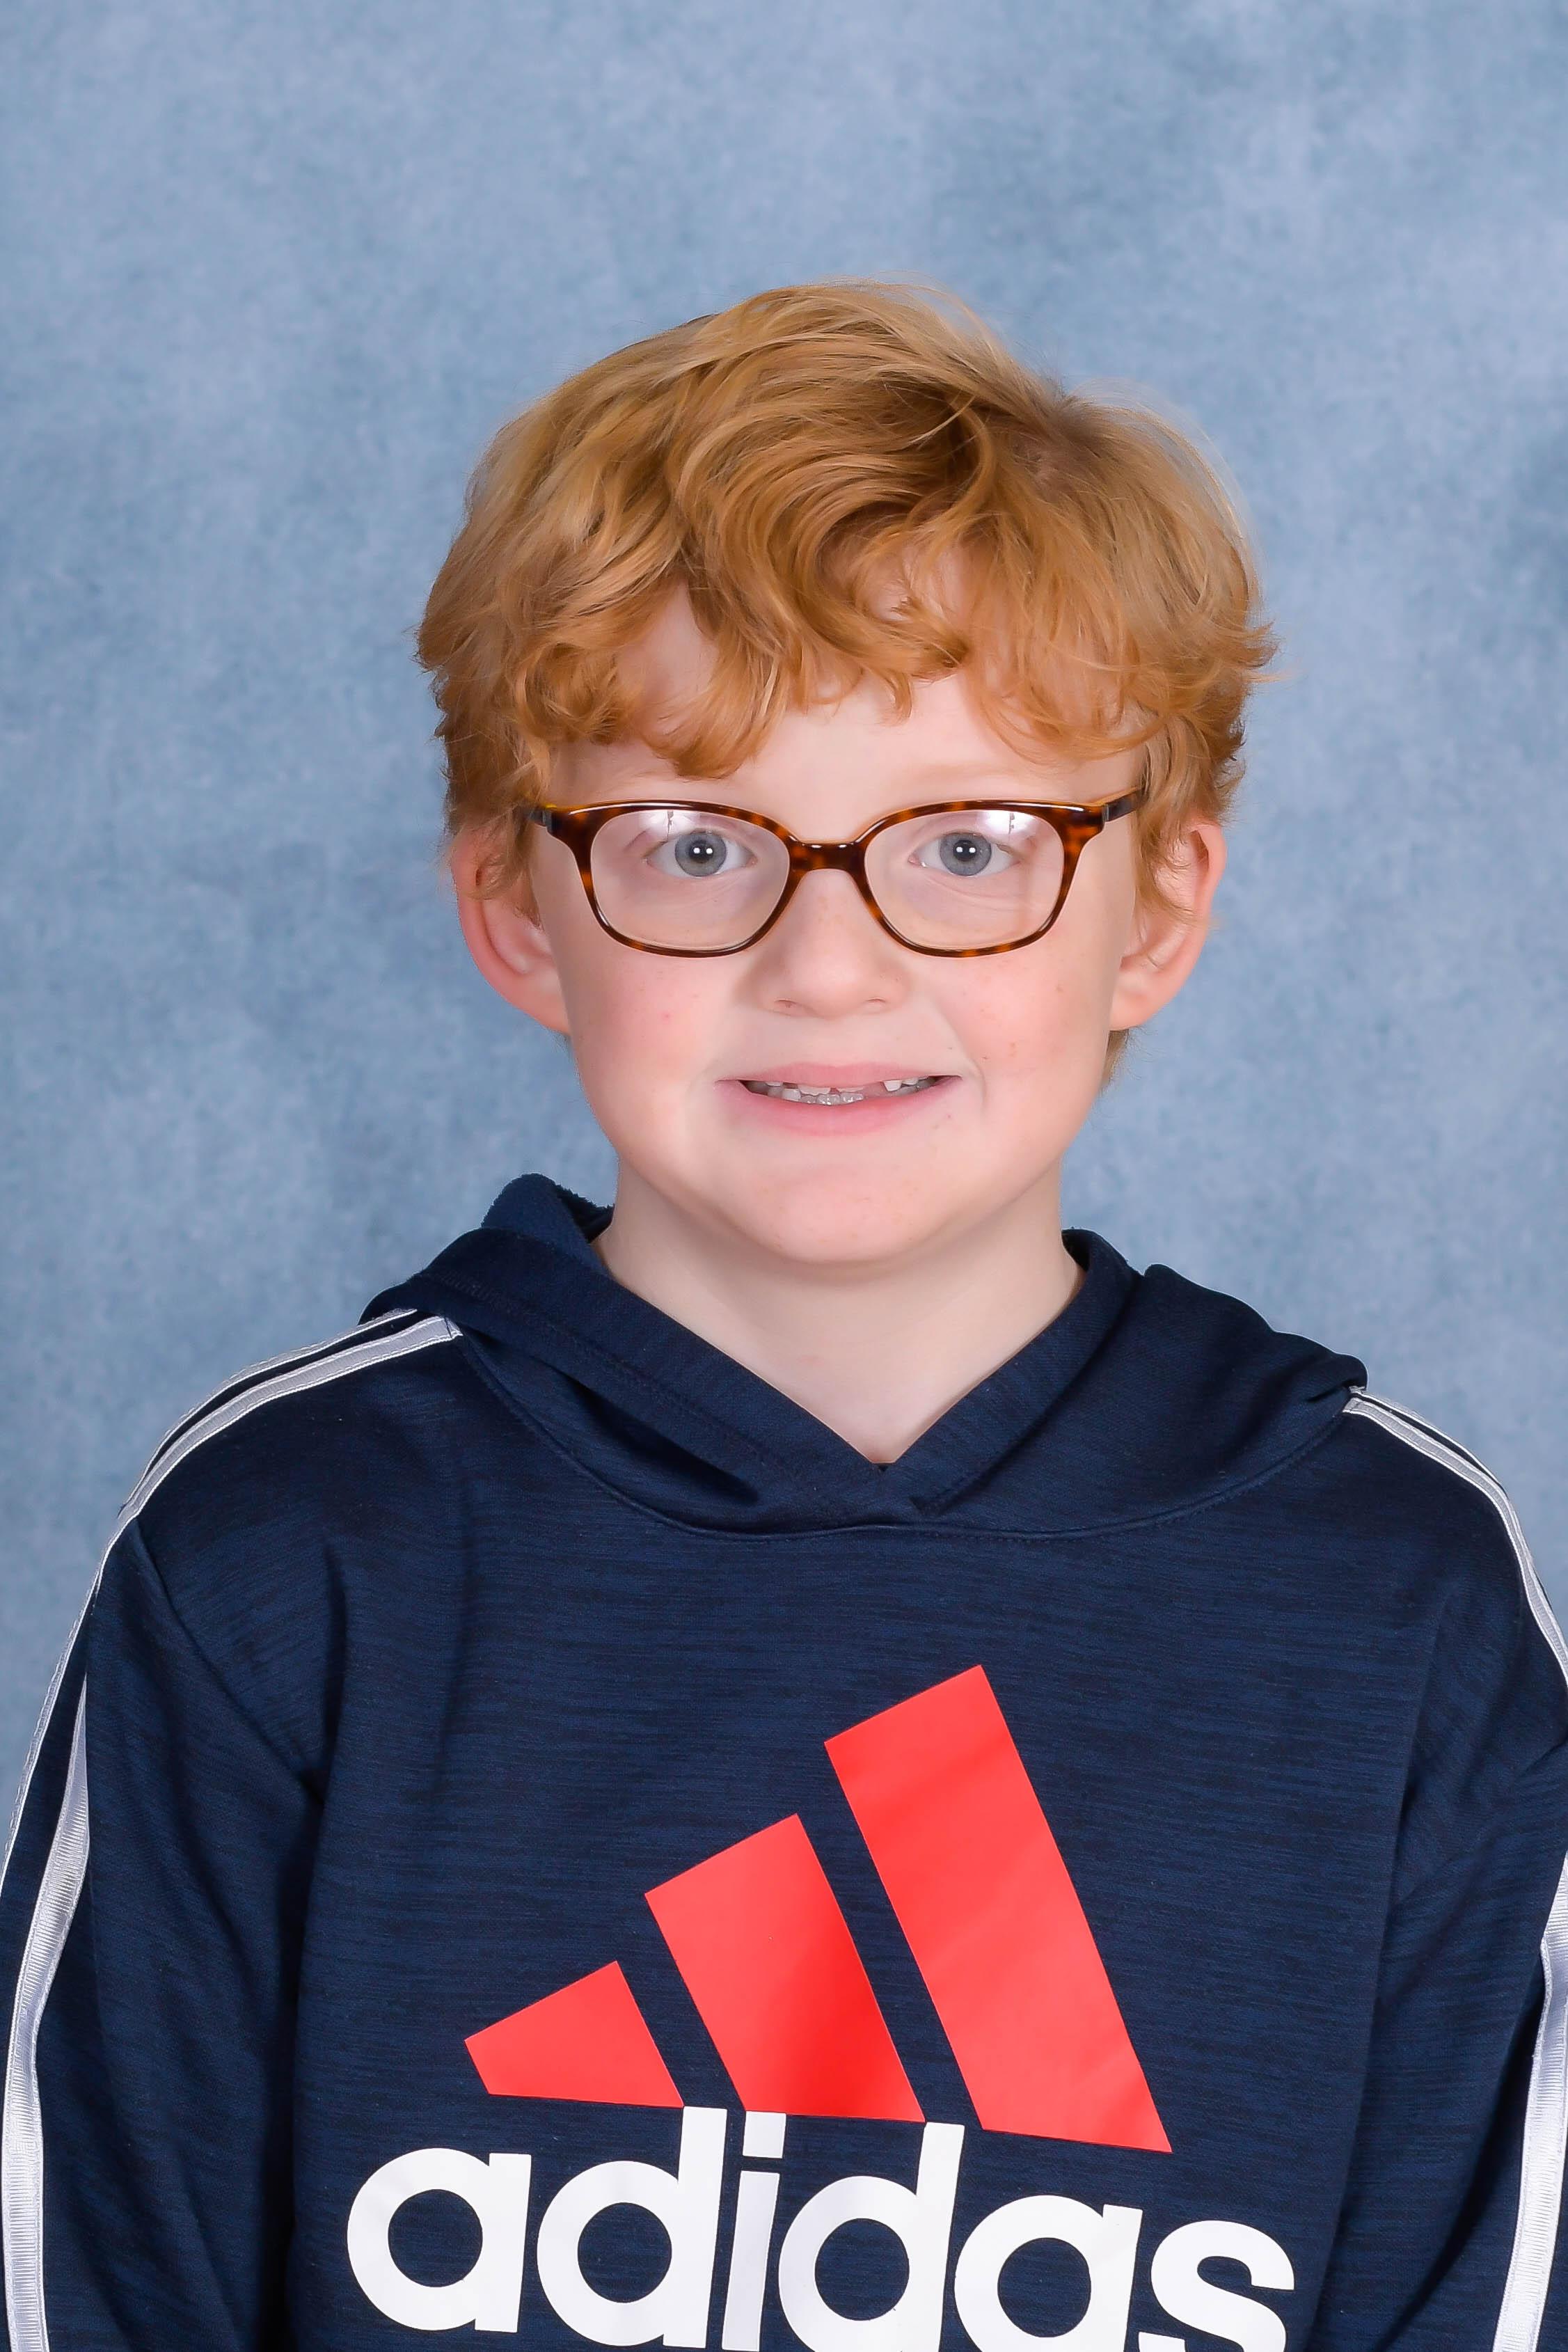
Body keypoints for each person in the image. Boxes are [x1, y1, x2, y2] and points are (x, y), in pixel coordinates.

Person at [1, 283, 1562, 2352]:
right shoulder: (282, 1553)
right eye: (696, 844)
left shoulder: (1397, 1596)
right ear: (518, 909)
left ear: (1160, 909)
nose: (829, 965)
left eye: (972, 845)